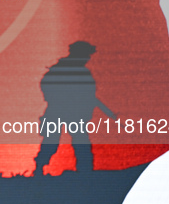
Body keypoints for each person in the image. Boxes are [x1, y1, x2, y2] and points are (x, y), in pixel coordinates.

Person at [34, 41, 116, 174]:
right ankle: (39, 168)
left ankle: (84, 171)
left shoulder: (77, 71)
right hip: (60, 111)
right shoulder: (64, 70)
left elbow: (90, 95)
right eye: (86, 55)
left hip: (71, 112)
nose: (88, 58)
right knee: (53, 141)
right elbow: (46, 85)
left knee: (78, 142)